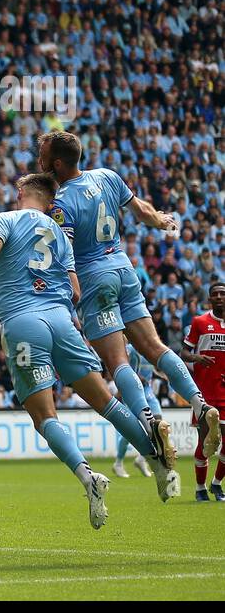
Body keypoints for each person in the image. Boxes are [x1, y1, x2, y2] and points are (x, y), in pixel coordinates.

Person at [0, 174, 179, 530]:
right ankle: (157, 461)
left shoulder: (4, 219)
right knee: (107, 401)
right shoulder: (60, 233)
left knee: (45, 417)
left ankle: (88, 478)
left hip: (23, 323)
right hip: (62, 321)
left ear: (20, 194)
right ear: (50, 202)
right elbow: (75, 290)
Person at [41, 130, 210, 468]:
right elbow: (143, 211)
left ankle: (149, 421)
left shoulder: (61, 204)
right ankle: (199, 405)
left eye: (43, 156)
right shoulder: (107, 176)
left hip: (94, 277)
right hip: (124, 267)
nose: (38, 160)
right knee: (155, 347)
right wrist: (162, 220)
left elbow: (65, 253)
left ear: (56, 164)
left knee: (118, 362)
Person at [181, 281, 225, 501]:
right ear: (210, 299)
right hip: (205, 395)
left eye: (222, 294)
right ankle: (200, 488)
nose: (218, 297)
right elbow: (184, 353)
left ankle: (216, 485)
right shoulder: (200, 322)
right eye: (215, 294)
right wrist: (199, 358)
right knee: (205, 442)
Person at [110, 344, 155, 481]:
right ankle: (118, 463)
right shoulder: (131, 348)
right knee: (130, 429)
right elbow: (122, 365)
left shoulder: (151, 347)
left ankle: (142, 459)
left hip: (148, 390)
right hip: (133, 390)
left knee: (158, 426)